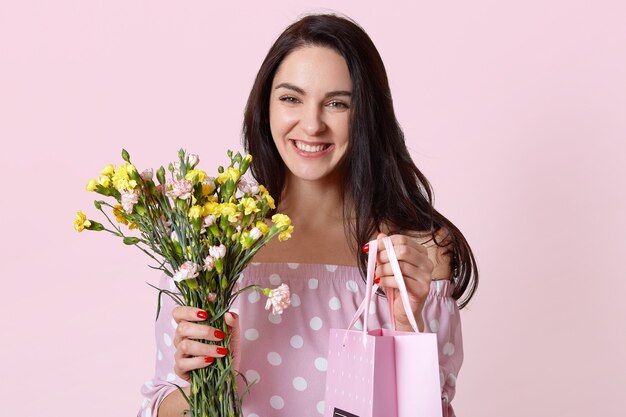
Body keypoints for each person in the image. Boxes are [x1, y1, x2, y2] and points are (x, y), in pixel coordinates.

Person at [139, 13, 478, 417]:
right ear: (265, 107)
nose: (312, 124)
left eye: (337, 103)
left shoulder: (416, 255)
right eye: (291, 98)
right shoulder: (209, 249)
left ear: (367, 114)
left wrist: (407, 325)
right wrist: (208, 386)